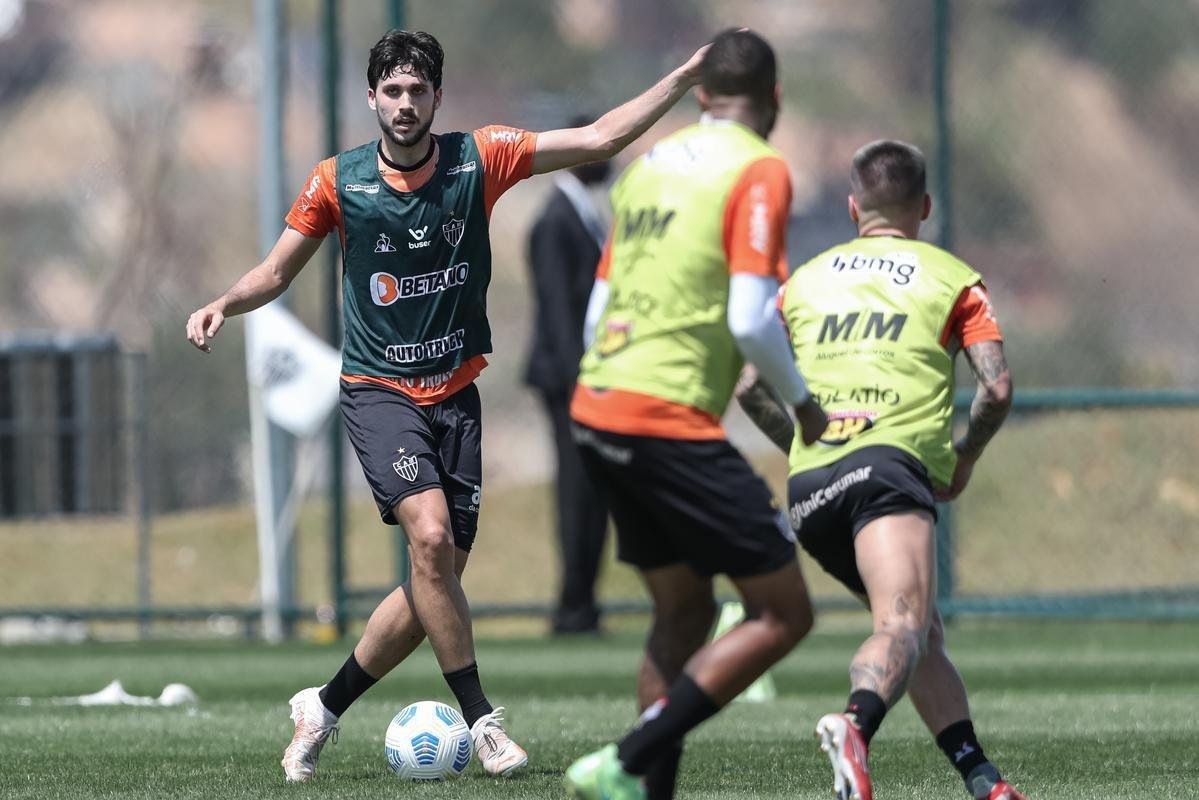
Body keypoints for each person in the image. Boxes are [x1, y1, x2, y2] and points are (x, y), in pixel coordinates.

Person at [184, 28, 713, 782]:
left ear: (437, 96)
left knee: (435, 579)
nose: (404, 104)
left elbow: (600, 138)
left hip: (456, 394)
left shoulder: (480, 158)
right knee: (429, 539)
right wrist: (223, 304)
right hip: (378, 392)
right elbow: (275, 271)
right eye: (391, 91)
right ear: (372, 98)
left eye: (417, 90)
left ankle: (323, 706)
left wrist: (684, 75)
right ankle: (481, 721)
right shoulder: (337, 181)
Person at [564, 29, 828, 800]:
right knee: (783, 613)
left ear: (702, 94)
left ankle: (639, 791)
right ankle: (625, 760)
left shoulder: (645, 167)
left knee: (681, 613)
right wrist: (805, 406)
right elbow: (750, 317)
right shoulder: (759, 168)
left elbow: (596, 315)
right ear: (774, 99)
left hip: (596, 405)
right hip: (663, 419)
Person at [737, 139, 1026, 800]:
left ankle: (985, 783)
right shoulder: (953, 279)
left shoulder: (802, 282)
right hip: (887, 471)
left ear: (852, 207)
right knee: (900, 626)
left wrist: (803, 445)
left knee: (920, 633)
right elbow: (996, 388)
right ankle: (854, 726)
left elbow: (750, 388)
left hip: (811, 489)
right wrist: (963, 458)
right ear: (924, 206)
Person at [522, 127, 612, 635]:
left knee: (591, 489)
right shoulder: (556, 219)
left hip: (583, 377)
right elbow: (557, 308)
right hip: (566, 380)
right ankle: (573, 607)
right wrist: (581, 381)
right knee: (576, 490)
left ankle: (584, 602)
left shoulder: (581, 212)